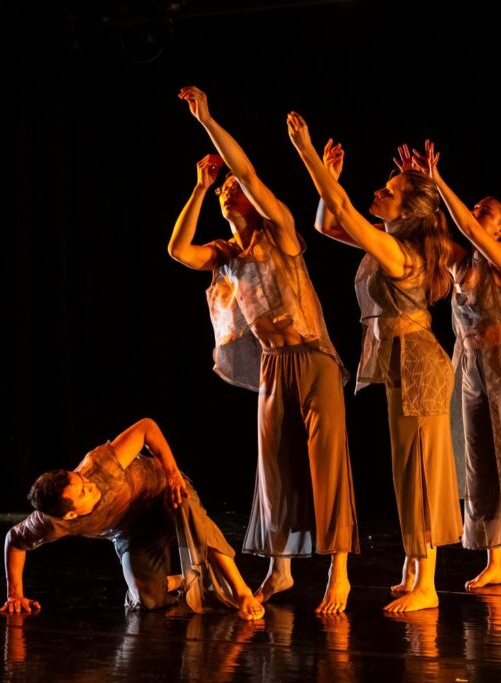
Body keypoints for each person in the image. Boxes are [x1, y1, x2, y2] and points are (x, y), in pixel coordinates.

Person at [167, 87, 359, 614]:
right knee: (273, 467)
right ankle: (280, 570)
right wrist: (200, 188)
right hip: (274, 365)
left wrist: (207, 119)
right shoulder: (226, 255)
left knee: (325, 463)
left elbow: (248, 173)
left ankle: (338, 572)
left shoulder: (281, 233)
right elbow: (178, 249)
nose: (231, 189)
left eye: (233, 187)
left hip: (313, 357)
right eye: (225, 188)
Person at [287, 112, 462, 613]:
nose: (380, 193)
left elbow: (341, 208)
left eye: (390, 190)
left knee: (421, 469)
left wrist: (305, 153)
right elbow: (326, 221)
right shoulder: (388, 242)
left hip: (418, 362)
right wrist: (328, 178)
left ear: (408, 209)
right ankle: (414, 568)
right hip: (397, 362)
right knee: (405, 470)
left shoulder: (398, 250)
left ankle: (427, 582)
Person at [410, 140, 501, 599]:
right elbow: (432, 230)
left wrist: (438, 179)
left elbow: (468, 229)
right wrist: (420, 185)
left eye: (487, 211)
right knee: (479, 463)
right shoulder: (461, 263)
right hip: (469, 367)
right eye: (478, 207)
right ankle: (494, 561)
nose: (477, 212)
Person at [0, 417, 265, 620]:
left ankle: (241, 593)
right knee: (148, 602)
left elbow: (147, 427)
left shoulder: (101, 464)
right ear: (69, 514)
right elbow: (15, 539)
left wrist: (172, 474)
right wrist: (15, 595)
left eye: (80, 478)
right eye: (83, 491)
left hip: (165, 494)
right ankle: (185, 579)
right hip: (135, 530)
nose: (89, 484)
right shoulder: (51, 522)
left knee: (188, 511)